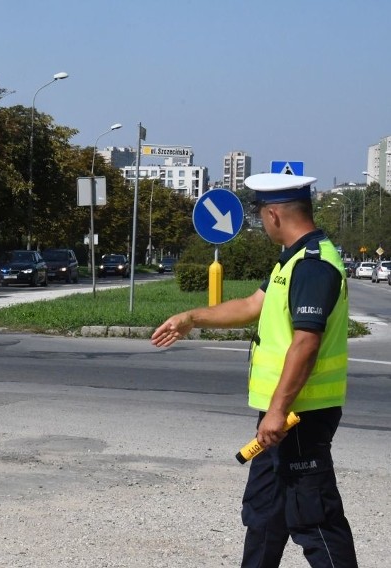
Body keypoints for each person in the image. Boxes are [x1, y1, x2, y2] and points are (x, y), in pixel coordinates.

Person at [151, 173, 358, 567]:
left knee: (315, 520)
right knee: (265, 513)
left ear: (274, 214)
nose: (263, 225)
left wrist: (279, 409)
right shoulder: (293, 259)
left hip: (300, 415)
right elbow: (251, 305)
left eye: (262, 216)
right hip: (280, 415)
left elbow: (306, 341)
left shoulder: (313, 265)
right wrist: (192, 317)